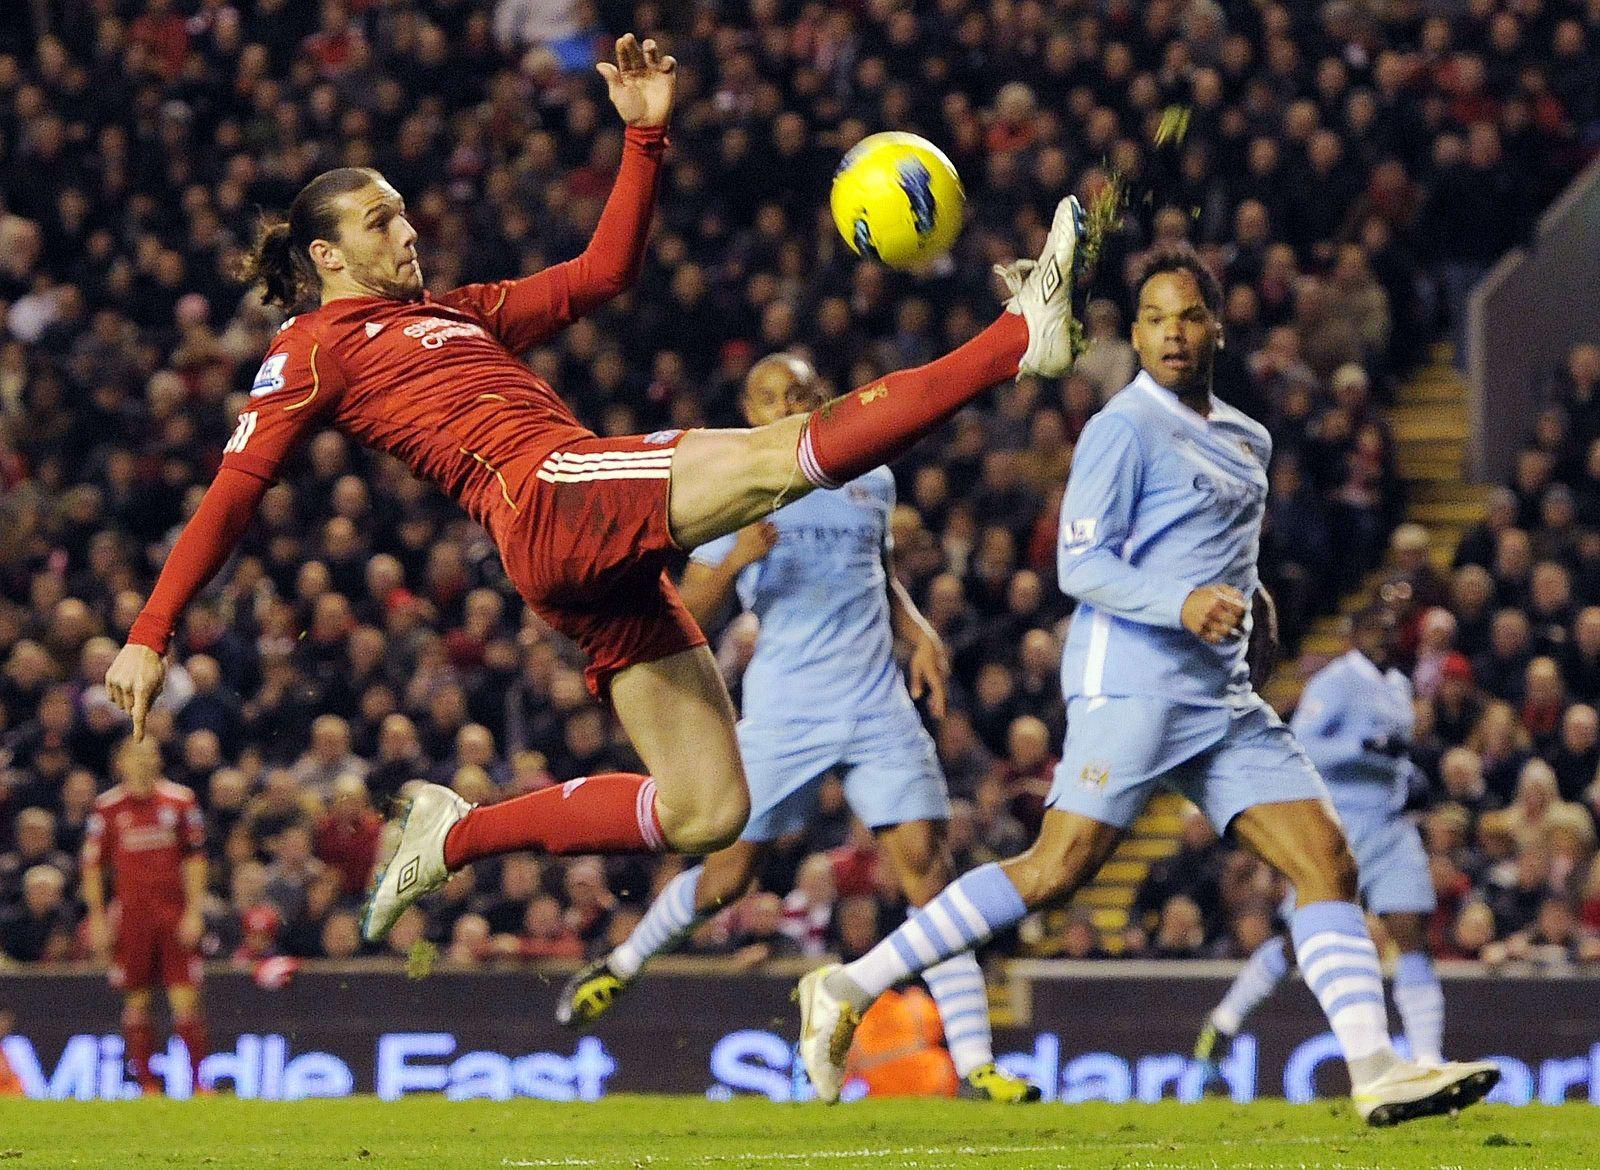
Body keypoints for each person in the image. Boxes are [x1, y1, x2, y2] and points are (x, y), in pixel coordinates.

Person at [100, 34, 1086, 943]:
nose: (406, 229)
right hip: (550, 495)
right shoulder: (312, 348)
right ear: (326, 257)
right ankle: (1016, 338)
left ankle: (455, 836)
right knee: (776, 457)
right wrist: (151, 631)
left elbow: (603, 273)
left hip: (569, 549)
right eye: (379, 219)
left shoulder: (453, 312)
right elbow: (236, 487)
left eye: (401, 210)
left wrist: (644, 136)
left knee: (707, 810)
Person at [793, 246, 1499, 1125]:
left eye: (1188, 316)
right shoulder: (1121, 427)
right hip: (1131, 686)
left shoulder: (1249, 439)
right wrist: (1181, 602)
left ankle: (1377, 1070)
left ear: (1217, 329)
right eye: (1155, 318)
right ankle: (850, 986)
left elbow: (1224, 555)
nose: (1172, 333)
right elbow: (1081, 564)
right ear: (1134, 333)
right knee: (1056, 869)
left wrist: (1256, 604)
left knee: (1328, 861)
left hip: (1222, 699)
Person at [553, 354, 1037, 1102]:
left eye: (801, 393)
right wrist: (734, 562)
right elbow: (686, 609)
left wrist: (917, 631)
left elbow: (879, 573)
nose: (788, 406)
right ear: (751, 413)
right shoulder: (731, 489)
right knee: (727, 878)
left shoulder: (871, 476)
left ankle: (976, 1062)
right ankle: (620, 965)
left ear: (822, 396)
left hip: (876, 706)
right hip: (786, 711)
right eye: (772, 397)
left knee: (928, 872)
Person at [1193, 604, 1449, 1085]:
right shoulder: (1334, 682)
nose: (1382, 638)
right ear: (1354, 634)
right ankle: (1224, 1021)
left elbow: (1394, 752)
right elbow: (1303, 743)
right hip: (1339, 825)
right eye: (1373, 630)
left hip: (1389, 825)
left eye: (1389, 631)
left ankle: (1429, 1059)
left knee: (1412, 930)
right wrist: (1363, 748)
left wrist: (1407, 772)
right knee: (1300, 945)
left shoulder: (1399, 685)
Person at [81, 737, 209, 1096]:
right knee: (137, 999)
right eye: (136, 755)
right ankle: (147, 1085)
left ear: (159, 759)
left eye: (150, 754)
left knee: (185, 999)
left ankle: (199, 1084)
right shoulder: (107, 807)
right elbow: (93, 867)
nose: (143, 761)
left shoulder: (181, 801)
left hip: (173, 914)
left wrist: (194, 911)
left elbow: (195, 858)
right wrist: (98, 919)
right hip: (132, 917)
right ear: (121, 761)